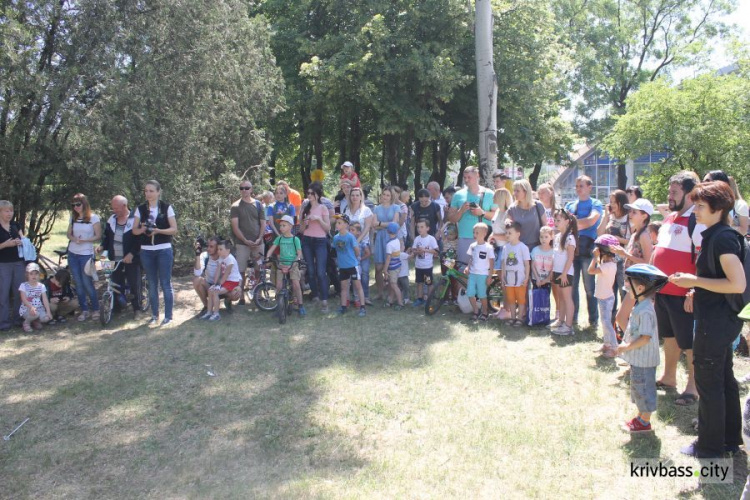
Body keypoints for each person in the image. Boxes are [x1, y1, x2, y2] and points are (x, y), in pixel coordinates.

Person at [669, 181, 746, 457]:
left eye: (701, 206)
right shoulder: (718, 234)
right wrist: (696, 286)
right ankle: (728, 439)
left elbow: (737, 284)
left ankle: (709, 447)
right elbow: (719, 279)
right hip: (720, 320)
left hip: (715, 323)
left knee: (709, 383)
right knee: (723, 379)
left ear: (719, 208)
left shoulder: (722, 237)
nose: (696, 211)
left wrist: (694, 280)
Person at [650, 171, 702, 407]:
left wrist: (694, 290)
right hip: (664, 291)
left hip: (684, 294)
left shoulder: (697, 221)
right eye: (669, 192)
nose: (669, 196)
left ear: (689, 194)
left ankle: (693, 387)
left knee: (689, 343)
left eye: (674, 192)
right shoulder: (670, 218)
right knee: (669, 337)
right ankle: (669, 377)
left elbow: (703, 259)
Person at [616, 264, 669, 433]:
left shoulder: (645, 310)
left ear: (640, 288)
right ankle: (640, 417)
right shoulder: (641, 306)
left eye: (629, 285)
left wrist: (625, 347)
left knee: (644, 389)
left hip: (644, 360)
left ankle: (644, 423)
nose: (626, 288)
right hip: (639, 359)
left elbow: (645, 338)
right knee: (639, 387)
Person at [133, 180, 177, 326]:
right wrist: (144, 228)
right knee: (152, 283)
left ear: (158, 192)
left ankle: (168, 316)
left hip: (164, 249)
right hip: (147, 251)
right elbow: (134, 230)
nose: (148, 194)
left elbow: (173, 229)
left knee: (165, 282)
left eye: (151, 191)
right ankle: (154, 315)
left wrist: (158, 230)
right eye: (146, 191)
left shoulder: (166, 207)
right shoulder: (140, 209)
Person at [564, 175, 604, 327]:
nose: (578, 189)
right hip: (572, 249)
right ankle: (572, 318)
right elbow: (562, 224)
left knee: (589, 288)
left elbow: (591, 221)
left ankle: (593, 320)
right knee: (572, 287)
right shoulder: (570, 205)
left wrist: (572, 223)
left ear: (589, 187)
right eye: (577, 186)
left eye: (581, 186)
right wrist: (578, 224)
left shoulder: (596, 203)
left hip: (588, 249)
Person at [612, 198, 654, 332]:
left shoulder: (644, 235)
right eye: (631, 211)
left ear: (644, 216)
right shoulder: (636, 233)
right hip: (632, 281)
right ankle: (634, 346)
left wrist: (625, 254)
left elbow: (648, 262)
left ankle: (635, 346)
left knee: (621, 317)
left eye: (634, 212)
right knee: (624, 317)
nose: (630, 214)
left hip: (639, 282)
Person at [98, 195, 142, 317]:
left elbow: (139, 240)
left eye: (116, 208)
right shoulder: (111, 219)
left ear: (124, 206)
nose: (114, 210)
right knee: (114, 283)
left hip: (131, 259)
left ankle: (137, 309)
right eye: (113, 208)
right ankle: (116, 308)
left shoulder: (135, 219)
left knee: (134, 284)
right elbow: (106, 238)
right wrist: (102, 246)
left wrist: (132, 253)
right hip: (114, 258)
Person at [66, 193, 101, 322]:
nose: (76, 207)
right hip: (73, 253)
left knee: (87, 282)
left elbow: (98, 235)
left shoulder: (93, 217)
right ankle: (84, 310)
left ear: (84, 204)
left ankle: (96, 309)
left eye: (78, 204)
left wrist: (86, 240)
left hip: (86, 253)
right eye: (73, 205)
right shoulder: (73, 217)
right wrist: (73, 238)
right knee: (78, 283)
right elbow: (68, 234)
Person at [448, 166, 495, 260]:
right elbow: (450, 218)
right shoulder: (458, 195)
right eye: (464, 177)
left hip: (484, 238)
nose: (466, 180)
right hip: (465, 237)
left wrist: (482, 212)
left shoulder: (489, 193)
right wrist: (461, 211)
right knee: (464, 267)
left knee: (483, 268)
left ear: (477, 175)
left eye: (469, 177)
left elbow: (495, 216)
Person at [231, 180, 265, 305]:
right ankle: (241, 296)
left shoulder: (258, 204)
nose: (244, 190)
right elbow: (235, 226)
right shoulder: (235, 206)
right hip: (241, 243)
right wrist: (245, 240)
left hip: (258, 243)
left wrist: (259, 238)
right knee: (241, 270)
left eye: (246, 188)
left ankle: (258, 293)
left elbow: (263, 223)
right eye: (242, 188)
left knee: (259, 268)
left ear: (251, 189)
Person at [266, 215, 305, 317]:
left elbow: (299, 253)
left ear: (290, 226)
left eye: (284, 225)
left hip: (293, 264)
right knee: (278, 286)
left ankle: (301, 306)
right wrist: (267, 257)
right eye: (280, 225)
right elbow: (271, 249)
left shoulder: (295, 239)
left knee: (296, 284)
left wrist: (296, 261)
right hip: (282, 264)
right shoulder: (279, 238)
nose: (281, 227)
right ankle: (279, 307)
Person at [300, 182, 331, 312]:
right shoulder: (304, 208)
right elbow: (301, 230)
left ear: (317, 195)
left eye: (311, 193)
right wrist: (305, 222)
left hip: (320, 241)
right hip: (307, 240)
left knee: (320, 271)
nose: (309, 195)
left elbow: (328, 228)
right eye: (308, 193)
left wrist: (318, 219)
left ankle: (325, 300)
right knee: (311, 271)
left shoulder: (323, 208)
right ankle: (315, 296)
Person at [588, 235, 619, 358]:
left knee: (606, 323)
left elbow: (590, 271)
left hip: (606, 299)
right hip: (603, 297)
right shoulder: (609, 264)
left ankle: (615, 347)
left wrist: (595, 258)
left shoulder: (607, 266)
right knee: (604, 321)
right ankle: (607, 344)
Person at [550, 209, 578, 335]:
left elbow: (570, 257)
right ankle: (560, 321)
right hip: (557, 272)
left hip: (565, 273)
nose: (556, 222)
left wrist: (565, 273)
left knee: (567, 298)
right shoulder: (557, 237)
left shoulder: (570, 238)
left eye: (558, 220)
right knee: (560, 297)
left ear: (567, 221)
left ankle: (568, 326)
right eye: (555, 220)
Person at [332, 215, 366, 317]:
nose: (337, 225)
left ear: (346, 225)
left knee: (358, 286)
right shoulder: (336, 237)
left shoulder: (350, 237)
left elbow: (357, 250)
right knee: (344, 287)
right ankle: (343, 306)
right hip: (342, 267)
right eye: (336, 223)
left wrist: (354, 259)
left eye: (339, 223)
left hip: (352, 266)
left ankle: (363, 307)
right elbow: (335, 249)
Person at [344, 187, 373, 304]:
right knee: (352, 271)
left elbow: (367, 227)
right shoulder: (347, 210)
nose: (355, 197)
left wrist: (358, 240)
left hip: (363, 243)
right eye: (353, 195)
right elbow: (345, 227)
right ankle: (355, 296)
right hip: (350, 245)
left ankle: (365, 296)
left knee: (364, 272)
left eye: (357, 195)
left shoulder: (366, 211)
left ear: (361, 197)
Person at [0, 200, 26, 331]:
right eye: (6, 211)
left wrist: (21, 242)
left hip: (18, 262)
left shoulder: (16, 225)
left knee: (19, 292)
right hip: (3, 264)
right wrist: (5, 245)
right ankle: (3, 322)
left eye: (11, 210)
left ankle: (18, 319)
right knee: (3, 294)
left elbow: (24, 239)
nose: (9, 213)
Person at [372, 186, 400, 300]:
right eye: (384, 194)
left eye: (388, 195)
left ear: (391, 197)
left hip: (391, 238)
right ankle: (380, 293)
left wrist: (380, 223)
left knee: (390, 267)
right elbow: (373, 224)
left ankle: (390, 294)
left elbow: (394, 225)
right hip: (379, 238)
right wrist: (384, 224)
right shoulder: (376, 209)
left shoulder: (396, 207)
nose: (385, 197)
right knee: (378, 267)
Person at [202, 240, 241, 321]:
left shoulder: (230, 259)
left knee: (215, 292)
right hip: (225, 281)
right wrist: (215, 284)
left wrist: (218, 285)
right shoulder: (221, 258)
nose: (218, 251)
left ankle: (216, 314)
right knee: (210, 290)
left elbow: (227, 274)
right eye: (218, 249)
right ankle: (209, 312)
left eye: (221, 249)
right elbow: (218, 271)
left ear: (228, 250)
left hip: (232, 282)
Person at [500, 221, 530, 326]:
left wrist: (526, 277)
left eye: (510, 233)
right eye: (506, 233)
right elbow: (503, 263)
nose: (507, 235)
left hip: (520, 279)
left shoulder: (523, 247)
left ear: (518, 234)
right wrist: (503, 276)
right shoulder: (505, 248)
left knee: (521, 299)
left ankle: (520, 318)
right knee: (511, 299)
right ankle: (512, 318)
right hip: (509, 279)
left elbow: (527, 264)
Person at [466, 222, 494, 322]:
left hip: (483, 275)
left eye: (477, 233)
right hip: (473, 274)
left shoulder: (488, 247)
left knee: (482, 295)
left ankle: (485, 312)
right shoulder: (472, 246)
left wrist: (490, 276)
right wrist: (468, 267)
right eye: (474, 232)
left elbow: (491, 263)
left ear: (485, 233)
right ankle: (476, 310)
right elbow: (471, 258)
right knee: (470, 293)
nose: (475, 235)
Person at [507, 179, 545, 250]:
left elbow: (545, 226)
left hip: (537, 248)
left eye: (517, 191)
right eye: (514, 190)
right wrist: (507, 221)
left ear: (526, 192)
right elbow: (508, 227)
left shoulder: (538, 205)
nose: (514, 193)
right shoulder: (512, 208)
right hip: (518, 248)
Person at [410, 220, 439, 307]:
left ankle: (429, 299)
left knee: (428, 283)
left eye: (422, 227)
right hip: (418, 266)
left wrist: (425, 250)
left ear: (427, 228)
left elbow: (436, 251)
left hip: (427, 266)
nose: (419, 229)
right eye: (418, 227)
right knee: (419, 282)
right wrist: (416, 252)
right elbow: (413, 250)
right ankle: (419, 298)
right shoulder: (417, 238)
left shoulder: (431, 239)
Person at [18, 263, 52, 332]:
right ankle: (26, 323)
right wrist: (31, 307)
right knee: (35, 313)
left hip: (38, 308)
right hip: (27, 308)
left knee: (46, 318)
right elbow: (23, 299)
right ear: (27, 275)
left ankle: (35, 321)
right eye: (31, 274)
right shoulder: (23, 285)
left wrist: (48, 312)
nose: (34, 276)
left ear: (39, 275)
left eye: (36, 274)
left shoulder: (41, 286)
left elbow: (45, 299)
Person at [491, 188, 513, 277]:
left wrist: (494, 236)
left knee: (503, 275)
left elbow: (509, 235)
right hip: (496, 246)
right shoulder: (497, 211)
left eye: (495, 195)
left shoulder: (508, 213)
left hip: (505, 248)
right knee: (499, 274)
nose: (493, 197)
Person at [382, 222, 404, 309]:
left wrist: (385, 269)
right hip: (398, 265)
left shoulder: (389, 244)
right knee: (392, 284)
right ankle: (390, 301)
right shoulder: (397, 240)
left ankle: (400, 303)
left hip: (393, 267)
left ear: (388, 231)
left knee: (394, 285)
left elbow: (388, 258)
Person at [530, 226, 555, 296]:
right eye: (541, 237)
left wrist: (546, 279)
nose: (543, 239)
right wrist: (537, 279)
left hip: (547, 281)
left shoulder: (553, 252)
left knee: (545, 300)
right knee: (536, 300)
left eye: (546, 237)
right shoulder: (535, 250)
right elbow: (533, 266)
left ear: (551, 237)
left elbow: (553, 268)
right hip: (536, 279)